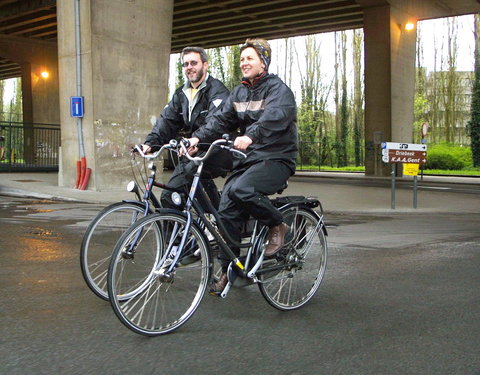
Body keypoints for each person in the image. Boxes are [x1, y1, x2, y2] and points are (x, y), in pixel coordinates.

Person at [185, 38, 298, 293]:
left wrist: (250, 136)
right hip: (251, 159)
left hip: (277, 158)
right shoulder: (239, 92)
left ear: (263, 61)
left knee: (241, 190)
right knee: (225, 208)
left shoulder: (278, 90)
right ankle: (230, 270)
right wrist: (197, 138)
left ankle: (277, 224)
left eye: (250, 58)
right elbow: (219, 120)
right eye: (242, 59)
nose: (244, 63)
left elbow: (275, 117)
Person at [141, 46, 231, 208]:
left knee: (179, 187)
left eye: (194, 63)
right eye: (186, 64)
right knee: (176, 194)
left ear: (205, 65)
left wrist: (197, 141)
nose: (189, 67)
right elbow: (167, 122)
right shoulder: (181, 94)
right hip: (194, 151)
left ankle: (211, 219)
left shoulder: (217, 91)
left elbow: (216, 123)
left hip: (216, 149)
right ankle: (203, 224)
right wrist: (150, 143)